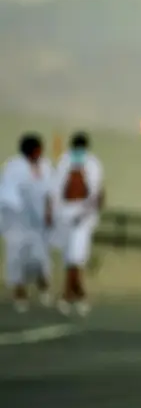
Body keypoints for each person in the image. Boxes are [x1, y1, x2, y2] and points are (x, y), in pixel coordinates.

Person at [51, 132, 104, 316]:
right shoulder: (64, 161)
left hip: (83, 214)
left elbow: (96, 192)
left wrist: (87, 213)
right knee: (69, 257)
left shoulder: (93, 164)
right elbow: (57, 189)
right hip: (65, 212)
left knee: (76, 255)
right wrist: (54, 212)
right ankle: (79, 294)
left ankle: (67, 294)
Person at [0, 134, 54, 312]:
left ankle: (44, 288)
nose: (41, 152)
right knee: (17, 258)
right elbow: (7, 194)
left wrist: (48, 212)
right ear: (31, 150)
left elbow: (49, 191)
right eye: (38, 149)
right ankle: (19, 293)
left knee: (41, 258)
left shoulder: (45, 166)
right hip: (18, 222)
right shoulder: (14, 167)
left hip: (38, 223)